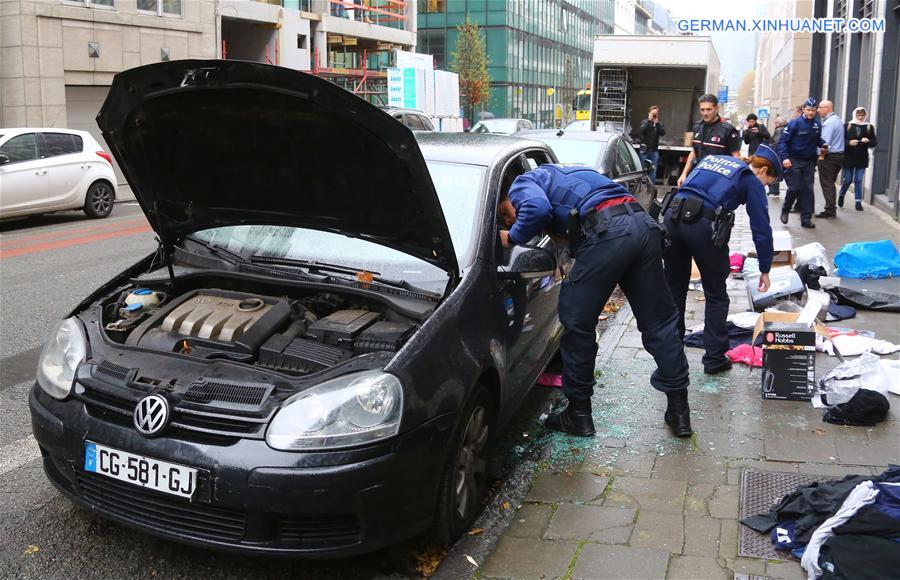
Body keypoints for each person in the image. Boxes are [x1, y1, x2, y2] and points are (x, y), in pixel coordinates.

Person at [498, 164, 692, 438]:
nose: (510, 220)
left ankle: (578, 415)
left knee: (576, 322)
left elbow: (537, 208)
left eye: (506, 214)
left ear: (507, 195)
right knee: (659, 322)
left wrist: (512, 237)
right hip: (644, 227)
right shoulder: (572, 174)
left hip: (608, 233)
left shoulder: (522, 182)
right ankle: (680, 413)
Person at [663, 146, 778, 374]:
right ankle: (714, 359)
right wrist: (765, 267)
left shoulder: (714, 159)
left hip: (672, 218)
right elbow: (761, 228)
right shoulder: (749, 179)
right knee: (716, 294)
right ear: (763, 170)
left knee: (674, 288)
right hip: (702, 226)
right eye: (769, 182)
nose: (765, 187)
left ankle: (671, 352)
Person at [778, 97, 827, 228]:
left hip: (809, 162)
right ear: (804, 110)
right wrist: (785, 158)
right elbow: (783, 142)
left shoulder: (817, 124)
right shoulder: (795, 123)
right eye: (808, 110)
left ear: (816, 111)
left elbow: (817, 140)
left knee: (808, 190)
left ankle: (806, 219)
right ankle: (786, 209)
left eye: (813, 110)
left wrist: (823, 144)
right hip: (794, 160)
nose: (810, 112)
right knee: (795, 187)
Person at [677, 94, 741, 187]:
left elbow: (736, 157)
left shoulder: (728, 130)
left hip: (719, 181)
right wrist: (684, 174)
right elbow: (694, 151)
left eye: (708, 109)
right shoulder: (697, 126)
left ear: (716, 108)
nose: (705, 113)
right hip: (700, 176)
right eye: (702, 110)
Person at [839, 107, 877, 212]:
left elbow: (874, 142)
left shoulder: (869, 127)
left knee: (859, 180)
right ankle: (842, 195)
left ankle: (858, 202)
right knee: (847, 179)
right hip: (849, 157)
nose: (860, 117)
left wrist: (868, 141)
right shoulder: (847, 126)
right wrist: (849, 143)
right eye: (858, 115)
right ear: (854, 115)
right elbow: (841, 141)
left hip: (862, 157)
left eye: (862, 115)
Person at [816, 100, 845, 218]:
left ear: (827, 108)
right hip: (838, 156)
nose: (818, 110)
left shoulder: (829, 123)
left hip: (829, 157)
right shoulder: (837, 120)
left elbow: (825, 144)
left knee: (827, 183)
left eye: (820, 107)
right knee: (830, 183)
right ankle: (831, 207)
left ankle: (830, 209)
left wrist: (821, 156)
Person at [639, 105, 666, 180]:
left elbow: (663, 133)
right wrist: (649, 121)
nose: (654, 115)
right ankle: (641, 185)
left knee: (653, 170)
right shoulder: (644, 122)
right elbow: (642, 131)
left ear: (658, 114)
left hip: (654, 150)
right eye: (653, 113)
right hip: (644, 150)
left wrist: (657, 124)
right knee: (642, 169)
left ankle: (651, 187)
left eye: (656, 113)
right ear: (649, 113)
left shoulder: (659, 124)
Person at [767, 116, 788, 196]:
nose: (774, 124)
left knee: (774, 173)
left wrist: (770, 146)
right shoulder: (785, 129)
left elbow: (776, 142)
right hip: (782, 155)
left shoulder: (779, 130)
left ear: (779, 123)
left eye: (775, 122)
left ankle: (774, 191)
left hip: (777, 155)